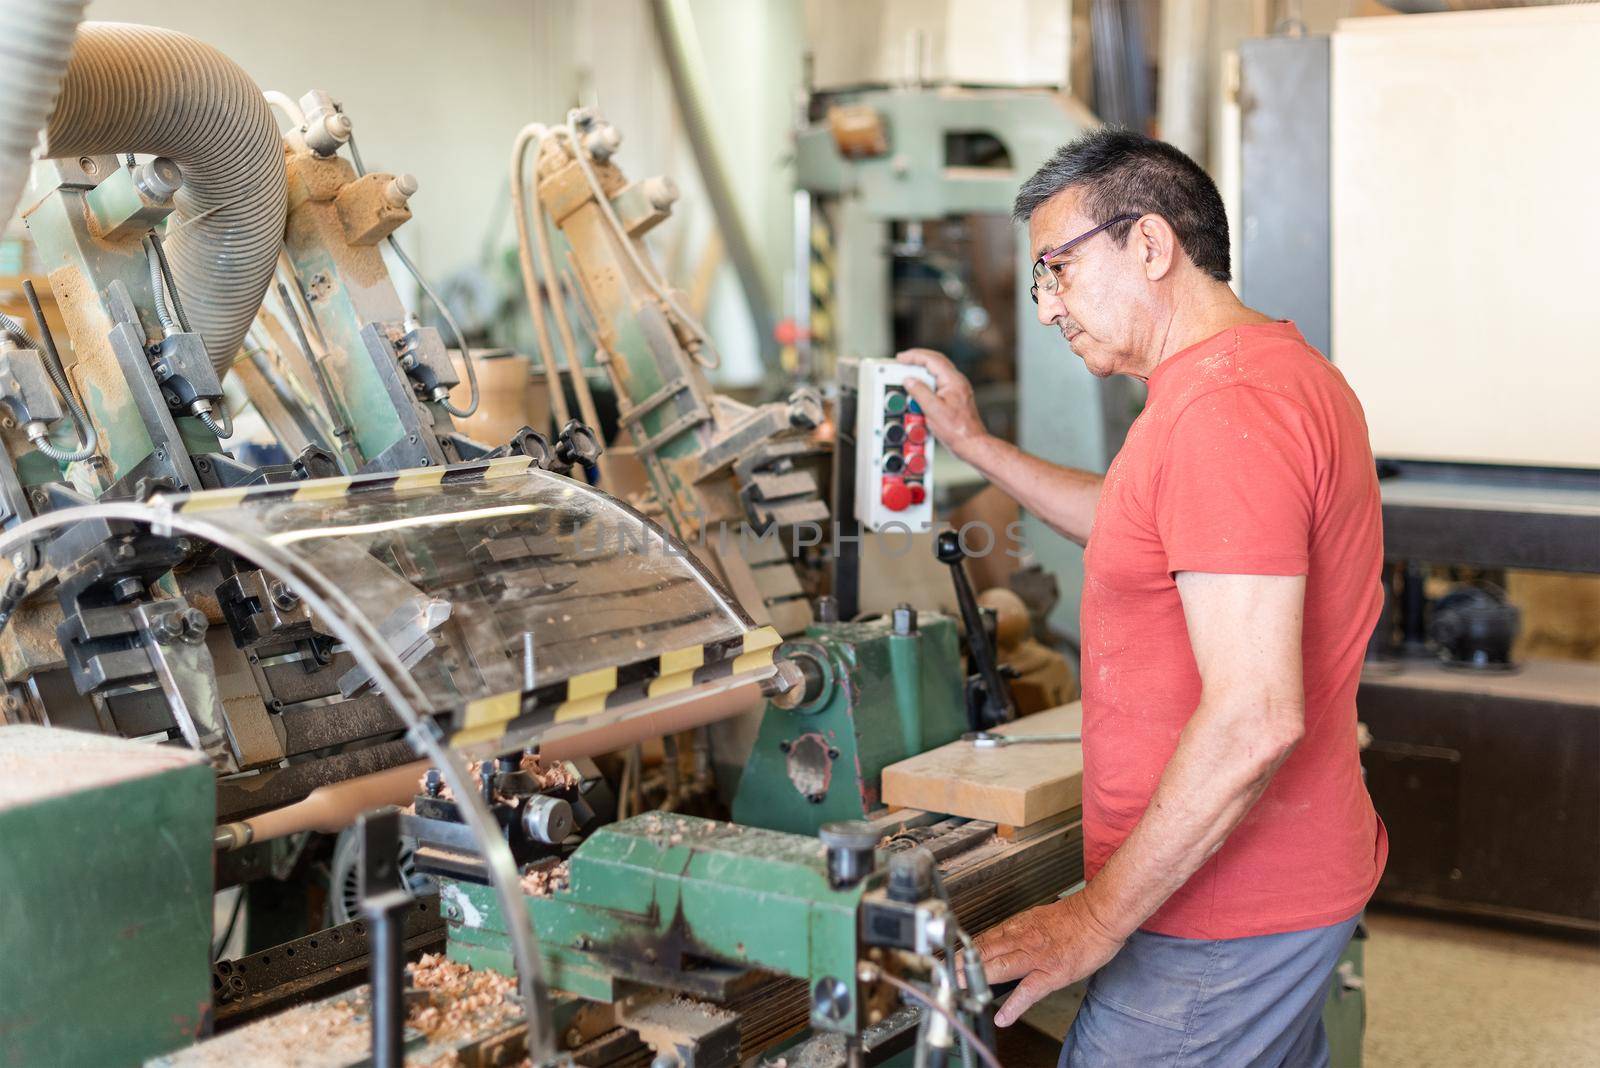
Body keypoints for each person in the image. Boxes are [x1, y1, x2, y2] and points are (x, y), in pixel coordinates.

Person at [898, 128, 1387, 1067]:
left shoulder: (1224, 410)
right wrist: (974, 444)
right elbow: (1139, 526)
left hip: (1222, 912)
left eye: (1056, 270)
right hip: (1284, 880)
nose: (1046, 308)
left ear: (1151, 245)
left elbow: (1254, 716)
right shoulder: (1269, 375)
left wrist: (1093, 919)